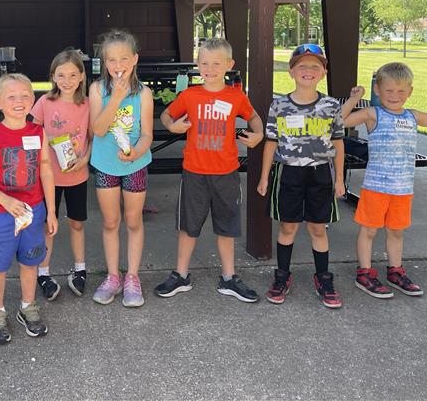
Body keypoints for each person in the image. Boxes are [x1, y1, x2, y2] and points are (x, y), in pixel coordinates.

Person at [153, 38, 264, 302]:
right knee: (188, 226)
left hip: (226, 173)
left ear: (229, 64)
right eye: (204, 63)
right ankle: (181, 275)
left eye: (216, 63)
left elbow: (254, 118)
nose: (210, 68)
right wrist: (172, 127)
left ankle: (229, 278)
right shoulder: (190, 95)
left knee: (227, 226)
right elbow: (167, 115)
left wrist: (258, 134)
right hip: (194, 173)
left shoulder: (236, 96)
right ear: (197, 64)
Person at [341, 63, 427, 298]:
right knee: (369, 230)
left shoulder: (412, 115)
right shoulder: (373, 114)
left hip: (402, 189)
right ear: (378, 90)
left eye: (401, 91)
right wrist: (353, 99)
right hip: (375, 188)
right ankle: (364, 272)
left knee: (396, 232)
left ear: (410, 92)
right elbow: (339, 122)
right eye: (389, 90)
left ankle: (395, 271)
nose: (395, 96)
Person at [256, 43, 346, 309]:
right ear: (291, 72)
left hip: (321, 174)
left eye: (315, 66)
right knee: (288, 227)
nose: (308, 71)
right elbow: (271, 142)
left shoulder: (330, 106)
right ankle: (282, 276)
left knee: (318, 228)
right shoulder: (279, 105)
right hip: (289, 173)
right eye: (302, 66)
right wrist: (264, 178)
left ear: (323, 73)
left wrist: (339, 178)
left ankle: (323, 278)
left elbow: (339, 143)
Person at [0, 73, 57, 344]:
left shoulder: (38, 132)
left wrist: (52, 210)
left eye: (25, 95)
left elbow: (46, 169)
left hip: (34, 210)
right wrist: (6, 201)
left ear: (33, 99)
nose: (19, 101)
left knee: (31, 260)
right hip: (3, 213)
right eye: (11, 97)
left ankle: (27, 306)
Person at [89, 30, 154, 307]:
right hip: (105, 165)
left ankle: (133, 277)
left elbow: (148, 135)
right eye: (111, 60)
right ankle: (113, 276)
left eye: (123, 59)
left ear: (135, 59)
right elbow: (98, 130)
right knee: (110, 222)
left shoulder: (145, 93)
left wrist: (136, 152)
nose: (118, 65)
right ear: (104, 62)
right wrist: (115, 98)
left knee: (133, 221)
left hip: (135, 165)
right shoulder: (96, 90)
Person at [30, 50, 91, 299]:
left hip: (78, 174)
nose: (67, 80)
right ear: (53, 76)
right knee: (48, 226)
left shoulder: (88, 104)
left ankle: (80, 269)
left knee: (76, 223)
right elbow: (31, 132)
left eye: (72, 75)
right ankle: (43, 272)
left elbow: (92, 138)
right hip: (49, 177)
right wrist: (49, 138)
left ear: (81, 77)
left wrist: (84, 160)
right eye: (61, 75)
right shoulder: (45, 102)